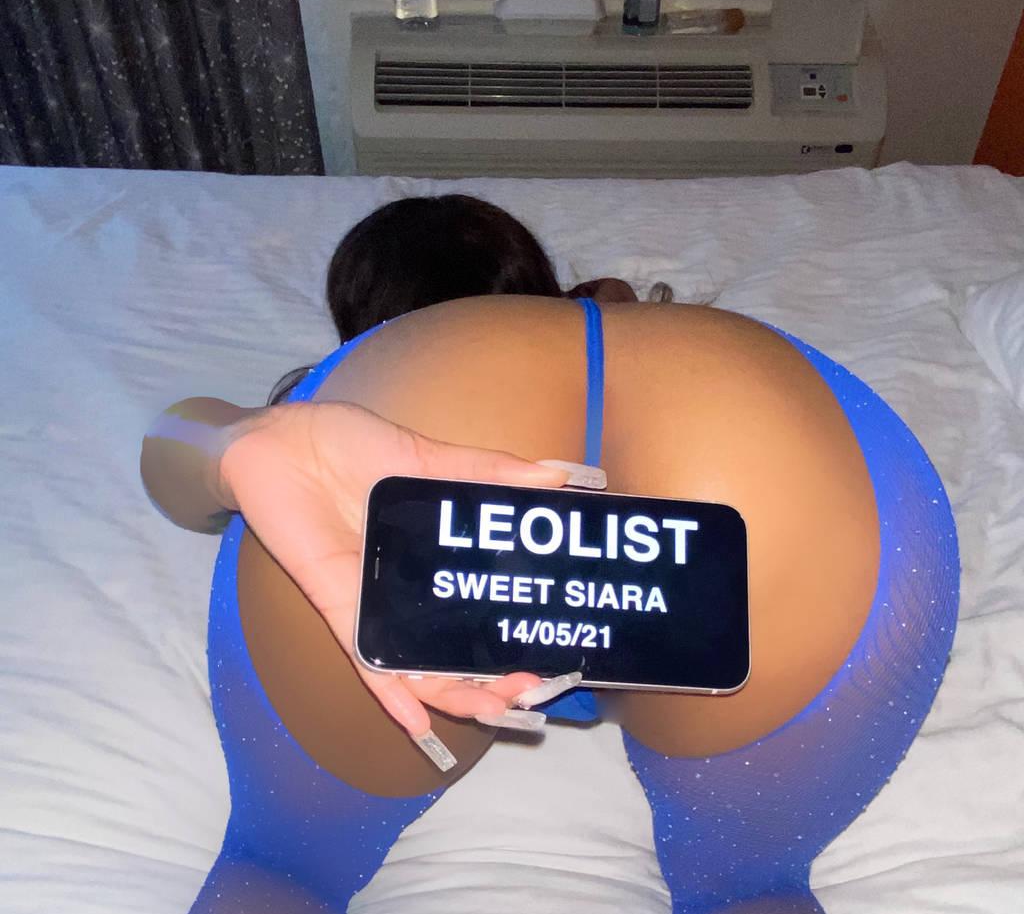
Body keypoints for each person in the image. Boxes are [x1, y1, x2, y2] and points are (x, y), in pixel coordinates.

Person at [141, 195, 959, 913]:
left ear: (370, 315)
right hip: (745, 409)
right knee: (750, 891)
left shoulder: (377, 374)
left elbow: (170, 445)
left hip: (426, 398)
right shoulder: (616, 310)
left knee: (281, 871)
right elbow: (617, 307)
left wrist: (233, 441)